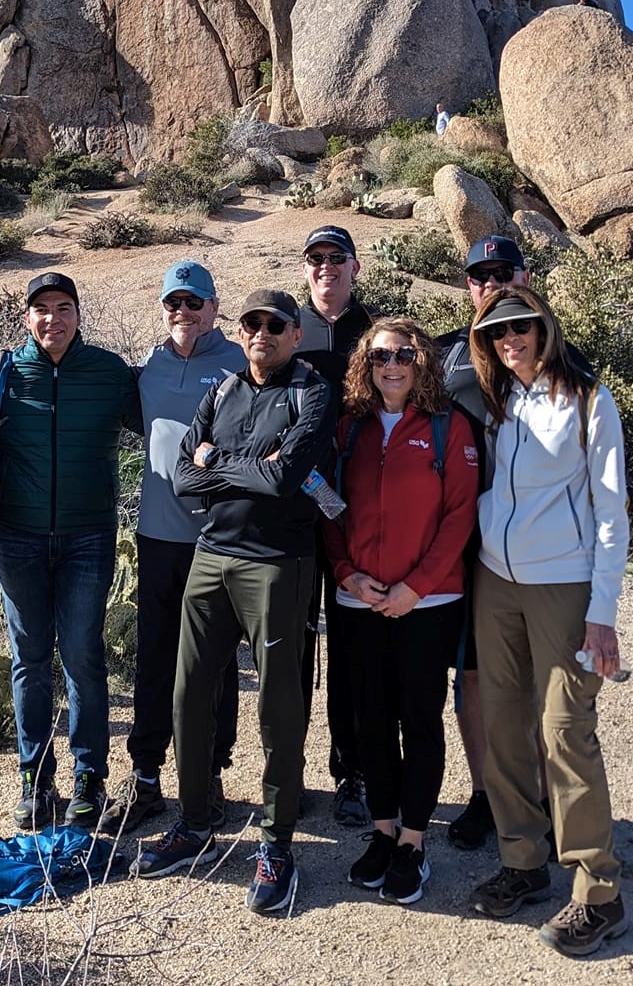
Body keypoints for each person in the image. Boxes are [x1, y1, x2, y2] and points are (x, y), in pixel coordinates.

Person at [135, 290, 332, 917]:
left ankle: (276, 841)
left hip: (278, 564)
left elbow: (284, 478)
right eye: (253, 324)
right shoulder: (221, 392)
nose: (263, 333)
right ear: (240, 331)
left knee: (277, 702)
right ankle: (196, 819)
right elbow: (181, 476)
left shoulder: (312, 392)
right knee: (189, 691)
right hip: (211, 557)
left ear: (296, 335)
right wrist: (245, 465)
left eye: (276, 325)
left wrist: (215, 458)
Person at [467, 286, 630, 959]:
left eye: (522, 326)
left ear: (544, 327)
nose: (512, 338)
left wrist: (603, 613)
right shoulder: (497, 400)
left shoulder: (588, 397)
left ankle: (599, 893)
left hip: (563, 583)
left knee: (565, 730)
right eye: (498, 330)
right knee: (504, 721)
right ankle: (524, 860)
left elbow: (612, 510)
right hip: (496, 581)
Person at [0, 272, 141, 831]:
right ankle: (35, 780)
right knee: (30, 659)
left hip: (89, 535)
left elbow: (172, 421)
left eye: (63, 308)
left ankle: (90, 778)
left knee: (85, 658)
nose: (52, 319)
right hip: (16, 535)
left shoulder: (111, 373)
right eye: (41, 308)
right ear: (26, 317)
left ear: (78, 315)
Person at [438, 236, 593, 852]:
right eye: (479, 275)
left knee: (544, 682)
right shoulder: (453, 357)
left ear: (525, 275)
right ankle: (489, 796)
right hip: (469, 545)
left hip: (542, 551)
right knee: (476, 678)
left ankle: (551, 800)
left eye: (502, 272)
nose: (490, 284)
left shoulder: (564, 360)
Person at [325, 318, 479, 905]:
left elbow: (460, 516)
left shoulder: (450, 429)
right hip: (358, 598)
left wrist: (415, 587)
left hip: (429, 601)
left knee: (419, 719)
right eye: (381, 354)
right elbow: (328, 505)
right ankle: (383, 832)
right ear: (366, 362)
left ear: (423, 363)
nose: (393, 364)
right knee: (370, 721)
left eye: (405, 355)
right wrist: (346, 573)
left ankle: (414, 843)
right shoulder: (348, 430)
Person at [100, 261, 246, 836]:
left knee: (214, 660)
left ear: (213, 307)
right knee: (156, 655)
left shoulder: (239, 361)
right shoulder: (148, 368)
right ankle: (145, 776)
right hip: (158, 536)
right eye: (173, 304)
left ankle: (209, 771)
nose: (182, 313)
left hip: (219, 538)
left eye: (193, 303)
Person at [294, 225, 372, 825]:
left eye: (336, 259)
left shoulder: (377, 337)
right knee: (292, 645)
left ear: (353, 267)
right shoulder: (284, 328)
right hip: (295, 511)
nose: (326, 268)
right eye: (316, 259)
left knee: (352, 648)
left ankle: (353, 773)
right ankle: (285, 770)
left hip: (357, 512)